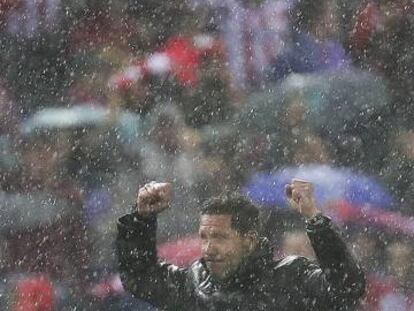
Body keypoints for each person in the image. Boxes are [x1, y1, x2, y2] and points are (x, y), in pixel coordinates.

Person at [116, 180, 365, 310]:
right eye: (204, 237)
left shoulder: (290, 277)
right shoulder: (193, 283)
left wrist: (314, 218)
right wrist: (141, 218)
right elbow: (139, 277)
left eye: (220, 237)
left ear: (249, 240)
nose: (208, 248)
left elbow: (347, 288)